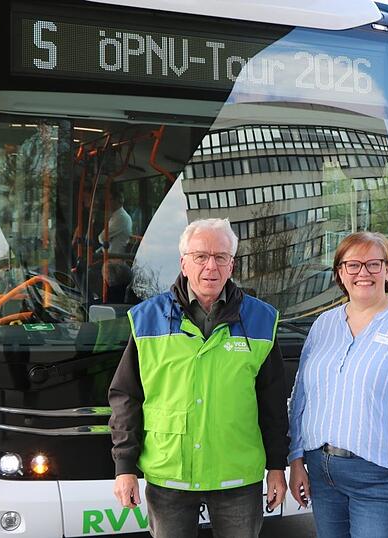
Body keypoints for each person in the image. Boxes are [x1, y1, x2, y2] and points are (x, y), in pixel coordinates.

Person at [108, 218, 289, 538]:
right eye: (201, 256)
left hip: (237, 477)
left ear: (232, 265)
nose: (211, 266)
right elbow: (126, 397)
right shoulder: (147, 319)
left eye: (221, 257)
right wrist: (125, 468)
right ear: (183, 263)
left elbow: (273, 403)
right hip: (170, 475)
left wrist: (277, 466)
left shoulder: (261, 320)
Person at [287, 231, 388, 538]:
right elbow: (301, 396)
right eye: (352, 265)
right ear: (340, 272)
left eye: (373, 264)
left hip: (383, 481)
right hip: (323, 474)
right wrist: (296, 458)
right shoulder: (324, 325)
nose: (363, 273)